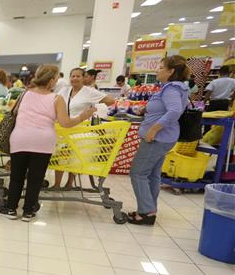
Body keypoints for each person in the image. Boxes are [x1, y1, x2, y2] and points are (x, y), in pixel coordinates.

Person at [0, 64, 95, 221]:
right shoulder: (57, 99)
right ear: (51, 80)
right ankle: (28, 212)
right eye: (57, 78)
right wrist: (83, 117)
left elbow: (14, 112)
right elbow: (65, 123)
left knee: (17, 176)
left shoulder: (25, 94)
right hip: (43, 141)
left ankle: (11, 208)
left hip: (20, 138)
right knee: (35, 178)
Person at [128, 56, 190, 225]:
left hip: (157, 137)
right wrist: (146, 109)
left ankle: (146, 212)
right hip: (164, 137)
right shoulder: (174, 88)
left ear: (171, 71)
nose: (157, 70)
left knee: (138, 173)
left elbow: (174, 111)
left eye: (161, 68)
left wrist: (153, 129)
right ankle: (149, 209)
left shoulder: (171, 88)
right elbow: (166, 108)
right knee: (152, 174)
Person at [54, 67, 116, 189]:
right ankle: (56, 184)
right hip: (63, 126)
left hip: (80, 128)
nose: (75, 78)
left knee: (75, 156)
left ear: (83, 78)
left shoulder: (89, 92)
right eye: (72, 76)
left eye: (78, 76)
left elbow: (110, 100)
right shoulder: (64, 91)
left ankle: (69, 183)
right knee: (60, 155)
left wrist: (95, 107)